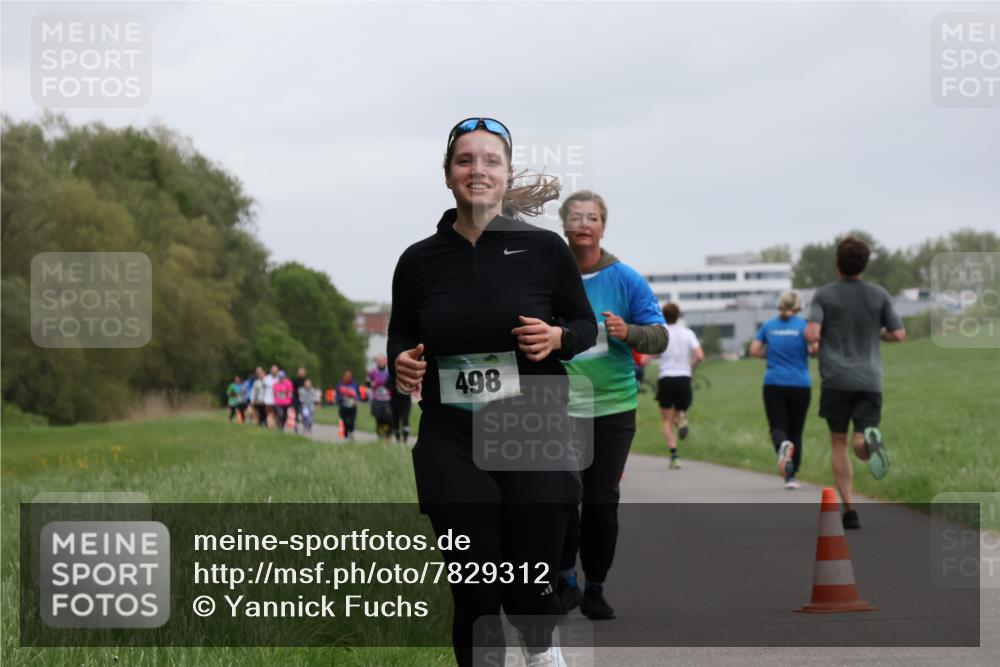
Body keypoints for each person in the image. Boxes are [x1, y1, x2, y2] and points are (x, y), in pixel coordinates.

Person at [389, 117, 597, 667]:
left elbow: (585, 326)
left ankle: (541, 647)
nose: (476, 170)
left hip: (532, 426)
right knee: (475, 589)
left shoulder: (545, 249)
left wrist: (557, 337)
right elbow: (402, 334)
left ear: (506, 175)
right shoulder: (417, 261)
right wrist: (401, 362)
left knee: (529, 581)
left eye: (489, 161)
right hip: (451, 434)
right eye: (464, 160)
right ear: (447, 175)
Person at [556, 190, 668, 621]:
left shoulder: (626, 279)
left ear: (603, 226)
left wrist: (628, 332)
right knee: (561, 497)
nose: (584, 225)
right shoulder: (548, 274)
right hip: (556, 408)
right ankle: (566, 578)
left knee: (601, 500)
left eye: (592, 218)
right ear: (564, 226)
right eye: (576, 218)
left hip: (612, 407)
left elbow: (659, 336)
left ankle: (596, 586)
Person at [805, 236, 905, 530]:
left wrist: (816, 341)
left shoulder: (824, 295)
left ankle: (849, 509)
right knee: (858, 437)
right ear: (865, 264)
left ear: (837, 264)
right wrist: (879, 334)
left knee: (838, 441)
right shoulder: (879, 294)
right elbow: (899, 334)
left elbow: (812, 333)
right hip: (870, 379)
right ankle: (867, 443)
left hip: (836, 379)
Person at [749, 291, 816, 490]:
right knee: (796, 430)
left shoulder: (769, 325)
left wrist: (769, 356)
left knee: (777, 427)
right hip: (800, 384)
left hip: (774, 383)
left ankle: (782, 447)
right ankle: (792, 476)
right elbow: (814, 349)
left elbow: (753, 350)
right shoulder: (804, 326)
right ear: (798, 306)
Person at [656, 303, 704, 468]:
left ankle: (674, 455)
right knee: (678, 412)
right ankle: (681, 418)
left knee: (666, 420)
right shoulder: (688, 333)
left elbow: (650, 355)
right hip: (683, 377)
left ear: (663, 315)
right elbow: (699, 355)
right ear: (678, 315)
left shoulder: (662, 332)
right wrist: (689, 367)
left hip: (666, 377)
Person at [367, 355, 395, 440]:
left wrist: (388, 386)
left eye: (382, 361)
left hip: (387, 399)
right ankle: (381, 435)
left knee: (388, 417)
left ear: (386, 362)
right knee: (379, 418)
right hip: (376, 399)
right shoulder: (372, 372)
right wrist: (372, 384)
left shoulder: (389, 372)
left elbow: (393, 384)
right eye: (378, 361)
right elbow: (367, 383)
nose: (380, 363)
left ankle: (388, 434)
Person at [336, 370, 362, 441]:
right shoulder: (339, 384)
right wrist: (342, 398)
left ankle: (351, 433)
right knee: (344, 421)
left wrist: (357, 400)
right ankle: (346, 436)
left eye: (350, 376)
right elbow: (337, 396)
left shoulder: (355, 384)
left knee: (351, 421)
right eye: (346, 376)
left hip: (352, 406)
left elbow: (358, 395)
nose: (348, 377)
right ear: (343, 376)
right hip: (343, 406)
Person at [292, 367, 307, 432]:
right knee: (297, 412)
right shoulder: (295, 380)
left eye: (303, 372)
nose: (301, 373)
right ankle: (296, 426)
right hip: (297, 399)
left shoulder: (305, 381)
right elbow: (293, 389)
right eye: (300, 372)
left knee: (304, 413)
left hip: (304, 399)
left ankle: (304, 426)